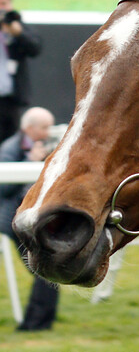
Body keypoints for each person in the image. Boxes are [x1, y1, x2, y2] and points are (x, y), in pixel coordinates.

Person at [0, 107, 59, 331]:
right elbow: (3, 189)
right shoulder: (10, 148)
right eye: (44, 127)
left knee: (48, 270)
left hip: (38, 219)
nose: (48, 132)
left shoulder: (48, 146)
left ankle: (38, 323)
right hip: (15, 222)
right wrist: (30, 162)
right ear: (29, 128)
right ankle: (36, 324)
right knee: (46, 271)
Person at [0, 0, 43, 143]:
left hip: (10, 99)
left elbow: (35, 47)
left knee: (10, 141)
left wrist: (17, 32)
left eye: (4, 4)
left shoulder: (16, 26)